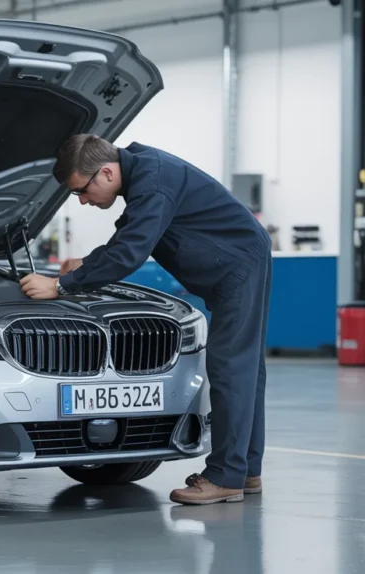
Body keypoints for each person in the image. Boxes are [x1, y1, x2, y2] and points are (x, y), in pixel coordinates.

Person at [19, 134, 273, 505]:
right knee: (245, 371)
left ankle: (225, 477)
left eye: (81, 191)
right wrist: (88, 263)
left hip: (237, 265)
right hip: (239, 259)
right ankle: (245, 470)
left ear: (106, 173)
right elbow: (132, 234)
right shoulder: (143, 172)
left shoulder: (153, 183)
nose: (83, 201)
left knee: (231, 369)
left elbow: (131, 252)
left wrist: (60, 286)